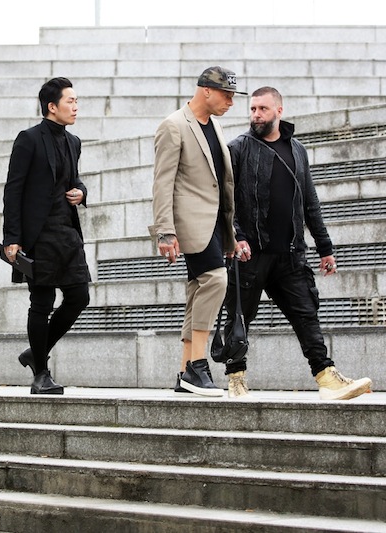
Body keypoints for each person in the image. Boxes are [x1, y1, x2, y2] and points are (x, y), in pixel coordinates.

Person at [222, 86, 372, 400]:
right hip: (249, 255)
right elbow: (225, 200)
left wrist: (325, 248)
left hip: (290, 254)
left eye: (263, 109)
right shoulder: (238, 148)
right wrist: (236, 237)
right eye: (253, 109)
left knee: (306, 315)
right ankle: (236, 379)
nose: (256, 115)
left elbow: (310, 202)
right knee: (239, 317)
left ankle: (326, 377)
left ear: (279, 110)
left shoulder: (297, 149)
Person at [149, 67, 242, 397]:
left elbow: (221, 184)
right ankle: (198, 366)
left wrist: (228, 234)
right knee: (215, 280)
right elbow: (162, 182)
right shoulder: (173, 125)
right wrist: (165, 231)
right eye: (226, 95)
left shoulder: (214, 125)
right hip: (189, 223)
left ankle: (185, 371)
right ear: (206, 90)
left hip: (215, 224)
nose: (231, 102)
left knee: (197, 290)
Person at [2, 77, 90, 395]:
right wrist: (12, 238)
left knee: (80, 297)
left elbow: (74, 180)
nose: (76, 106)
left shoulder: (74, 142)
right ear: (52, 107)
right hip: (38, 236)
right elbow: (13, 190)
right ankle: (41, 373)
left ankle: (34, 352)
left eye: (76, 100)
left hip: (67, 233)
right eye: (70, 101)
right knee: (42, 303)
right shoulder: (28, 139)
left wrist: (81, 191)